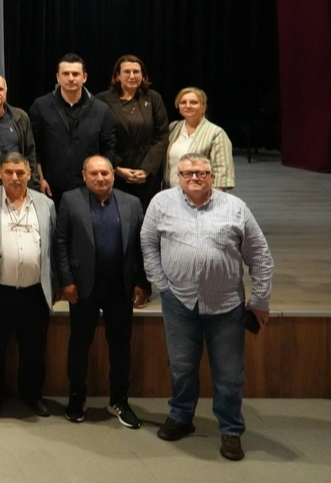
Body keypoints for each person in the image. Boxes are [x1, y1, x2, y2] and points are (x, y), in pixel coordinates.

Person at [142, 153, 273, 462]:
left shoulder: (235, 207)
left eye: (201, 173)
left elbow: (260, 255)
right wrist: (161, 284)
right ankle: (181, 416)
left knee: (229, 375)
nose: (195, 178)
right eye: (188, 173)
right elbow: (148, 243)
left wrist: (259, 301)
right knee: (181, 366)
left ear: (212, 176)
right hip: (179, 301)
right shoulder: (160, 203)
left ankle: (231, 429)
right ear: (178, 176)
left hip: (226, 305)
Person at [56, 155, 148, 428]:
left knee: (120, 345)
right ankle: (76, 397)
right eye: (94, 173)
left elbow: (143, 246)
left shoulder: (132, 203)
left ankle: (119, 399)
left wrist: (143, 283)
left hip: (120, 287)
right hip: (83, 286)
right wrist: (66, 280)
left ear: (113, 175)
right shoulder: (70, 200)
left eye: (105, 173)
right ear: (84, 175)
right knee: (79, 344)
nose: (100, 178)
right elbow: (61, 242)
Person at [0, 152, 56, 417]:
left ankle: (32, 395)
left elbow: (52, 246)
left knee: (34, 348)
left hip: (34, 291)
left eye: (20, 172)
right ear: (0, 173)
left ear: (29, 174)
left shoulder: (45, 204)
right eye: (9, 172)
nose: (15, 177)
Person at [28, 53, 118, 201]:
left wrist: (102, 179)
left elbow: (109, 148)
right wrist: (40, 179)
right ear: (58, 77)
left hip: (90, 188)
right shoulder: (41, 106)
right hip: (51, 188)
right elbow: (33, 147)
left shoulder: (102, 110)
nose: (71, 78)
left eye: (75, 74)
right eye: (66, 74)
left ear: (84, 77)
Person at [95, 55, 169, 207]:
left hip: (147, 175)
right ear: (117, 76)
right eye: (127, 72)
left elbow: (161, 136)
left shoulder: (153, 98)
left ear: (143, 75)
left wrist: (147, 169)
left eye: (136, 72)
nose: (132, 76)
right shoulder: (102, 100)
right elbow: (97, 137)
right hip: (114, 173)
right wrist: (116, 168)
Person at [166, 87, 235, 190]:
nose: (188, 106)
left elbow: (223, 173)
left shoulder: (216, 133)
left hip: (201, 195)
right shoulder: (173, 128)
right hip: (172, 193)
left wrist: (212, 198)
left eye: (193, 102)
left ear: (203, 107)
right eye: (183, 102)